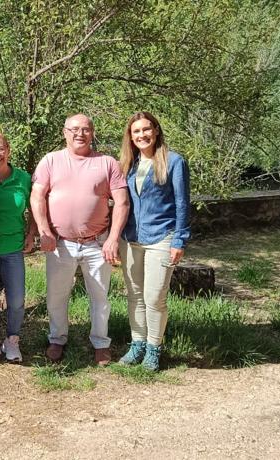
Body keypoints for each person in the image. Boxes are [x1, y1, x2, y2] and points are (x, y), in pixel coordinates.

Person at [30, 114, 129, 366]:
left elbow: (122, 202)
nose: (80, 134)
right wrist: (44, 231)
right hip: (60, 243)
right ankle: (57, 339)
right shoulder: (51, 160)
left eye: (85, 129)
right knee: (56, 296)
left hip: (97, 243)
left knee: (100, 296)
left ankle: (101, 343)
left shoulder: (107, 163)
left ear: (92, 133)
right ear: (64, 132)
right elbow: (37, 196)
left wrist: (113, 238)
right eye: (74, 129)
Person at [116, 111, 191, 371]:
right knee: (134, 295)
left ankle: (153, 348)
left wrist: (179, 239)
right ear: (130, 136)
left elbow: (182, 203)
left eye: (146, 129)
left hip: (162, 236)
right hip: (130, 237)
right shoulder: (128, 164)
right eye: (136, 131)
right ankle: (137, 344)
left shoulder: (173, 161)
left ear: (156, 130)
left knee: (154, 297)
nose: (142, 135)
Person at [0, 132, 36, 364]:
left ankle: (12, 340)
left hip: (14, 247)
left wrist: (32, 233)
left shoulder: (23, 178)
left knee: (16, 300)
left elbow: (36, 208)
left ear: (8, 149)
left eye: (0, 148)